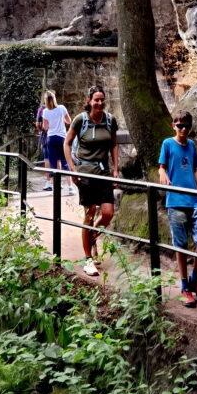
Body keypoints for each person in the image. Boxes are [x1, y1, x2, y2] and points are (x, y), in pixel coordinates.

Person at [158, 110, 197, 308]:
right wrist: (162, 172)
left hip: (194, 201)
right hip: (175, 201)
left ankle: (195, 280)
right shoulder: (167, 143)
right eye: (180, 126)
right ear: (174, 126)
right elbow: (161, 166)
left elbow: (194, 170)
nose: (183, 129)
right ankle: (184, 287)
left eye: (186, 126)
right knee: (181, 246)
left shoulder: (191, 145)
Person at [64, 85, 119, 277]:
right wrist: (72, 169)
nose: (100, 103)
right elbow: (67, 143)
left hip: (103, 172)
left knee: (108, 213)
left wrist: (116, 169)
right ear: (89, 101)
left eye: (102, 99)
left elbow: (113, 145)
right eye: (96, 99)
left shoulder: (110, 120)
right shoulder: (80, 120)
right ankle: (88, 259)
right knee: (90, 213)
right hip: (85, 173)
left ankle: (92, 236)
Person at [41, 90, 73, 194]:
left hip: (51, 138)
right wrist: (61, 121)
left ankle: (55, 188)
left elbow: (45, 127)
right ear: (54, 98)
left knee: (53, 162)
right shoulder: (62, 108)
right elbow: (69, 121)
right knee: (64, 162)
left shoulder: (45, 111)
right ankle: (70, 187)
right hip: (61, 137)